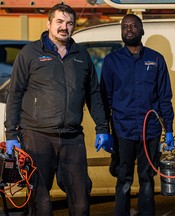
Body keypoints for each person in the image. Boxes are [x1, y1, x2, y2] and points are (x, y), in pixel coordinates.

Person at [4, 3, 111, 216]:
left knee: (80, 198)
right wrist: (11, 134)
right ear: (49, 23)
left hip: (72, 137)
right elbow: (15, 93)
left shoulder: (81, 55)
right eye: (60, 22)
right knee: (41, 199)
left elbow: (93, 94)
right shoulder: (30, 53)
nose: (64, 27)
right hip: (37, 136)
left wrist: (102, 127)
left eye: (70, 23)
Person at [100, 14, 175, 216]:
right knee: (123, 179)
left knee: (147, 178)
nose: (129, 29)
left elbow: (164, 97)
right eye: (125, 26)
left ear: (142, 31)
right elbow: (105, 98)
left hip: (149, 132)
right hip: (122, 131)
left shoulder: (156, 60)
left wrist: (169, 130)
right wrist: (104, 131)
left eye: (134, 26)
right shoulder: (111, 61)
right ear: (121, 32)